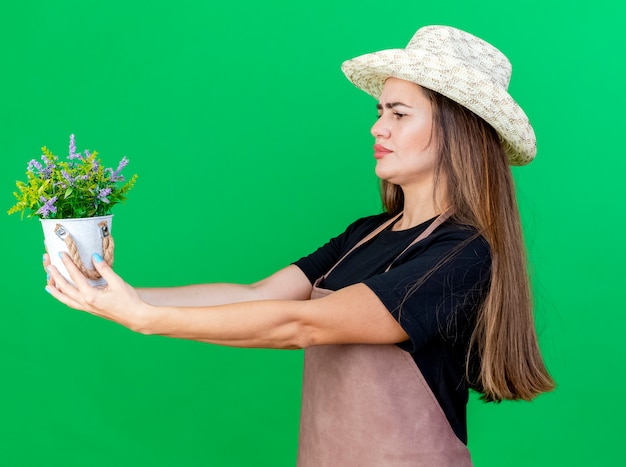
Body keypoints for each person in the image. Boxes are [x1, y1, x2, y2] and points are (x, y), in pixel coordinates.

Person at [45, 25, 555, 466]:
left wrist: (146, 319)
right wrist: (112, 292)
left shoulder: (462, 255)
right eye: (380, 111)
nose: (377, 127)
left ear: (456, 130)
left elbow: (302, 324)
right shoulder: (366, 234)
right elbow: (257, 295)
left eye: (399, 113)